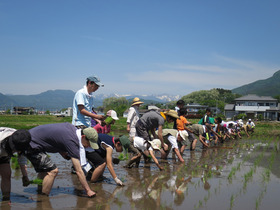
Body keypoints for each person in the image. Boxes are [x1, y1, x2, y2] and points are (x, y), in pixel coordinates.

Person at [11, 123, 97, 197]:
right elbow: (78, 171)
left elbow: (56, 138)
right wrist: (88, 190)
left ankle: (40, 194)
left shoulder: (72, 129)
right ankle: (44, 199)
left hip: (33, 140)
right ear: (83, 136)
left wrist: (62, 152)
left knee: (44, 170)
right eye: (89, 143)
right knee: (53, 171)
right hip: (29, 144)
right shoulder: (72, 141)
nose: (88, 146)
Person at [0, 128, 29, 201]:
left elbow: (22, 158)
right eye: (15, 149)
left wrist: (25, 176)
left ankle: (6, 199)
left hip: (4, 152)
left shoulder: (22, 139)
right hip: (2, 147)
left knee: (7, 173)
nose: (17, 151)